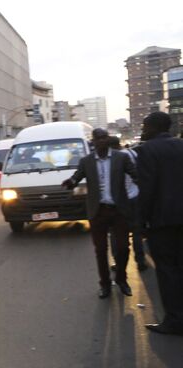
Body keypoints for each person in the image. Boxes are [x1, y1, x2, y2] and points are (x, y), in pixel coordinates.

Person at [62, 128, 137, 298]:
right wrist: (71, 182)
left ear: (108, 139)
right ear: (93, 141)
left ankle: (121, 279)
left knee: (123, 247)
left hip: (119, 210)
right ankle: (105, 284)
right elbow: (77, 176)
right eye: (99, 138)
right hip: (98, 211)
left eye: (105, 137)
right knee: (101, 250)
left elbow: (135, 174)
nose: (102, 140)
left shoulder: (121, 158)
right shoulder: (86, 161)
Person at [137, 111, 183, 335]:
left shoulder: (146, 151)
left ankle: (174, 321)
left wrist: (141, 222)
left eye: (145, 126)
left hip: (162, 222)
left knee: (167, 271)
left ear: (155, 127)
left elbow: (147, 190)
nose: (143, 130)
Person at [107, 136, 147, 271]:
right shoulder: (132, 153)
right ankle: (140, 260)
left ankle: (118, 263)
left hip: (119, 201)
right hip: (135, 196)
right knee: (137, 231)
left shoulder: (112, 159)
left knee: (116, 233)